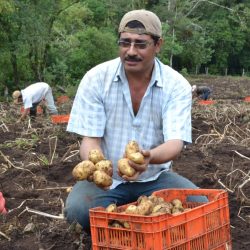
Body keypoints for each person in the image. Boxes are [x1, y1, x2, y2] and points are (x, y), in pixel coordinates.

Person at [65, 9, 207, 231]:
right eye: (125, 43)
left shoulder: (176, 85)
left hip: (155, 179)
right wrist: (98, 168)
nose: (131, 51)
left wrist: (149, 158)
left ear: (158, 45)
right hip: (107, 183)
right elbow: (90, 140)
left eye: (140, 44)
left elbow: (175, 143)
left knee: (200, 207)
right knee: (78, 211)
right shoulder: (96, 78)